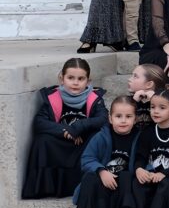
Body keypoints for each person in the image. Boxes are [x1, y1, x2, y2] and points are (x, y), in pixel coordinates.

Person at [21, 58, 107, 199]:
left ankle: (85, 184)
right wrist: (65, 131)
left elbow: (103, 119)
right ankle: (45, 188)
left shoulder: (94, 99)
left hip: (82, 144)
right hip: (61, 141)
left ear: (88, 81)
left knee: (95, 138)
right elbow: (39, 122)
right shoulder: (53, 97)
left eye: (81, 78)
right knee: (42, 140)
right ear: (62, 79)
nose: (75, 82)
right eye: (70, 78)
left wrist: (78, 127)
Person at [63, 96, 141, 208]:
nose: (123, 120)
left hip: (125, 185)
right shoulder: (101, 136)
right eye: (118, 116)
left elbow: (144, 159)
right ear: (110, 119)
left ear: (135, 119)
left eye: (128, 116)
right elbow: (87, 159)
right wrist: (101, 171)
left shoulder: (140, 137)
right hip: (104, 182)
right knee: (89, 177)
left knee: (126, 176)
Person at [128, 63, 168, 131]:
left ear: (149, 84)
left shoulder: (166, 103)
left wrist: (153, 102)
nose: (129, 79)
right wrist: (134, 102)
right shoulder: (127, 101)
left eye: (135, 76)